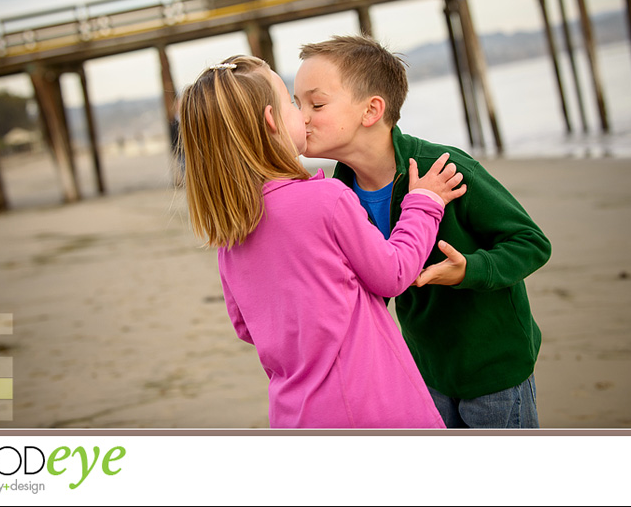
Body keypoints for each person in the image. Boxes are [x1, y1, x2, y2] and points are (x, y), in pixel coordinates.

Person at [179, 54, 467, 429]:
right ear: (271, 119)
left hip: (296, 416)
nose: (303, 114)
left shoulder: (231, 232)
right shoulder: (325, 199)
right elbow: (394, 273)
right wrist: (424, 204)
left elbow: (245, 326)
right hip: (373, 409)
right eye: (291, 102)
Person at [294, 35, 552, 429]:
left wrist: (469, 269)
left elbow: (531, 242)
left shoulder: (442, 167)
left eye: (316, 104)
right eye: (297, 105)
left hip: (494, 367)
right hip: (424, 370)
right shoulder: (336, 197)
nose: (301, 117)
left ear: (371, 110)